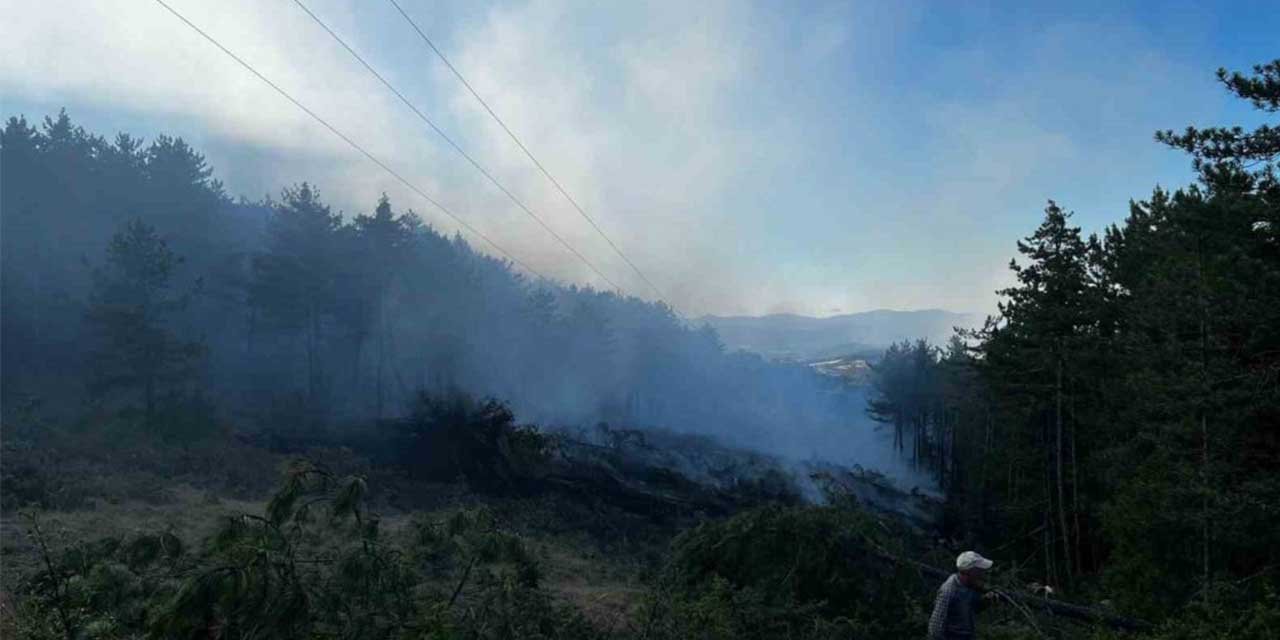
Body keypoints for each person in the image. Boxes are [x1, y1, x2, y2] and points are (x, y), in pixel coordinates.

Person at [927, 551, 996, 640]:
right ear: (969, 572)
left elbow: (971, 608)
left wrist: (986, 601)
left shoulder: (969, 585)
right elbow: (935, 629)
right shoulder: (949, 590)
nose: (982, 574)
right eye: (979, 570)